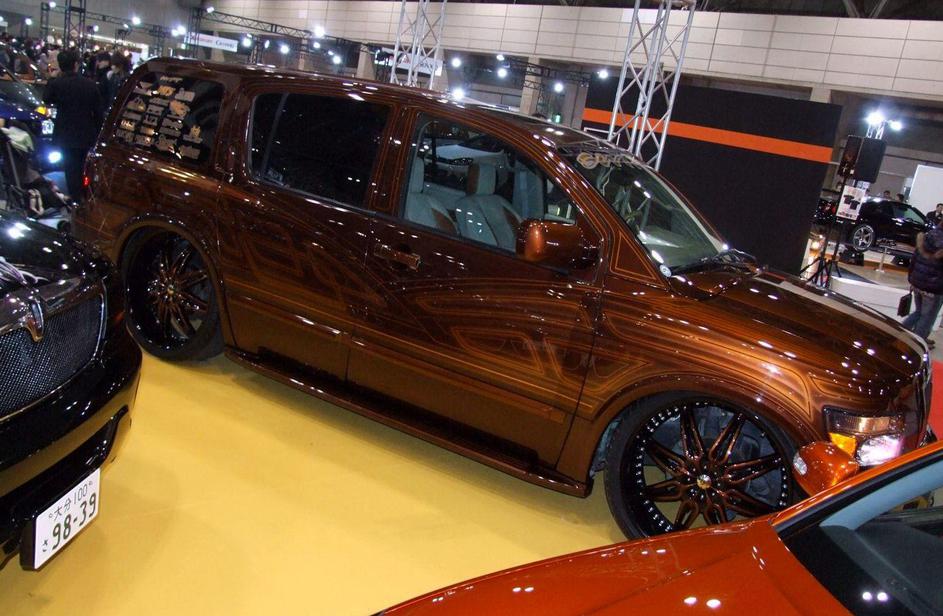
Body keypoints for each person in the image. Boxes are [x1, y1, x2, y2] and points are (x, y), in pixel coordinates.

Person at [42, 49, 103, 202]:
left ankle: (75, 198)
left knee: (70, 167)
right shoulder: (90, 85)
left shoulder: (57, 84)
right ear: (76, 64)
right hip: (85, 134)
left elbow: (46, 98)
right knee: (83, 166)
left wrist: (52, 77)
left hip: (65, 133)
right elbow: (98, 113)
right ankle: (83, 196)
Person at [902, 217, 943, 347]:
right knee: (927, 318)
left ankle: (900, 334)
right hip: (934, 288)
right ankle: (917, 345)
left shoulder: (928, 236)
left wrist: (911, 278)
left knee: (919, 312)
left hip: (917, 283)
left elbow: (914, 259)